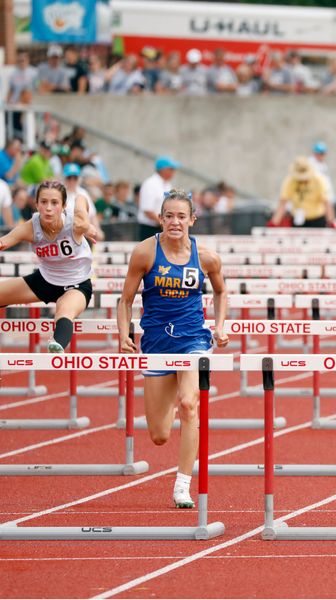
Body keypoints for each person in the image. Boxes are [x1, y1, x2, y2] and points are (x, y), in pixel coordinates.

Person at [117, 189, 229, 509]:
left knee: (190, 404)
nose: (175, 222)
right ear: (160, 218)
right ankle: (172, 402)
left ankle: (182, 485)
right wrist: (123, 333)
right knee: (159, 435)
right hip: (156, 342)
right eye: (169, 216)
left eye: (182, 216)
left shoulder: (207, 257)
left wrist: (220, 326)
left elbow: (221, 293)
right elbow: (125, 300)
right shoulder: (145, 253)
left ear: (192, 220)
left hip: (193, 339)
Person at [0, 180, 95, 352]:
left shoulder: (75, 223)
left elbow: (81, 198)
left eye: (54, 203)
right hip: (45, 280)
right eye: (43, 202)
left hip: (76, 285)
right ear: (36, 204)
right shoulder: (31, 227)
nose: (49, 208)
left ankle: (57, 344)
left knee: (64, 309)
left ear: (64, 205)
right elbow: (4, 242)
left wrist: (84, 216)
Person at [270, 156, 333, 228]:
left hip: (317, 219)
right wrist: (274, 222)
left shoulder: (318, 180)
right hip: (298, 219)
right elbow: (283, 202)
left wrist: (330, 221)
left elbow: (327, 202)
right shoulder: (290, 181)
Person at [138, 156, 179, 240]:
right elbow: (147, 210)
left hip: (161, 226)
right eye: (171, 169)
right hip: (150, 228)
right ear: (163, 170)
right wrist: (164, 223)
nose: (173, 172)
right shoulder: (150, 184)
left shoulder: (166, 184)